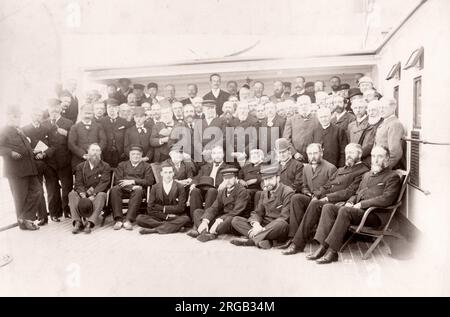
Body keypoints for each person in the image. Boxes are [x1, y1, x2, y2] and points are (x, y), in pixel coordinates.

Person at [308, 145, 401, 264]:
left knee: (344, 211)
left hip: (375, 215)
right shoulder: (367, 175)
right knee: (328, 207)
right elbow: (357, 193)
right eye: (373, 156)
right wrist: (351, 202)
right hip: (360, 212)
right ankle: (323, 246)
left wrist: (361, 204)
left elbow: (386, 199)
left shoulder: (392, 176)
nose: (376, 160)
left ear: (387, 159)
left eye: (380, 156)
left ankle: (332, 251)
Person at [281, 143, 369, 254]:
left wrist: (326, 198)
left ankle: (298, 243)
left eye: (351, 152)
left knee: (315, 204)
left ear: (360, 154)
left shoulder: (363, 171)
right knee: (297, 198)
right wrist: (317, 195)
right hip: (325, 198)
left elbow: (349, 192)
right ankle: (293, 237)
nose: (348, 155)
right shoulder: (341, 169)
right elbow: (327, 185)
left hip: (339, 202)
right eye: (347, 153)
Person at [230, 164, 293, 249]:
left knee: (282, 224)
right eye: (265, 180)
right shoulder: (264, 192)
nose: (267, 183)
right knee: (236, 220)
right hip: (264, 224)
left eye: (270, 179)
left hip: (277, 227)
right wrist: (256, 225)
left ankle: (252, 240)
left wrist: (262, 230)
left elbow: (284, 217)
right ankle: (265, 240)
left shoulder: (287, 192)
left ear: (278, 178)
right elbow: (257, 212)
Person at [0, 106, 42, 230]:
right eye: (14, 116)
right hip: (16, 171)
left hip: (29, 169)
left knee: (38, 191)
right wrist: (10, 152)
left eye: (18, 116)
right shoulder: (3, 130)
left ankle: (24, 217)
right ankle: (24, 224)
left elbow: (25, 146)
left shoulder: (19, 130)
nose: (17, 118)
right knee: (20, 198)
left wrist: (32, 151)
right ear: (7, 117)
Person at [285, 143, 337, 242]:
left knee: (314, 202)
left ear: (321, 153)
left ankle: (300, 239)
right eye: (310, 154)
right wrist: (307, 193)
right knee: (296, 198)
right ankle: (293, 236)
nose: (312, 156)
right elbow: (304, 185)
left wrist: (317, 196)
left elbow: (331, 188)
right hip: (311, 197)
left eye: (315, 153)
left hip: (323, 201)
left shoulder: (331, 168)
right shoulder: (306, 168)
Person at [187, 167, 249, 242]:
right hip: (222, 219)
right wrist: (205, 221)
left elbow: (236, 212)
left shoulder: (242, 191)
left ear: (236, 178)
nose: (227, 181)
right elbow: (214, 207)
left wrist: (219, 220)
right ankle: (204, 231)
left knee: (230, 219)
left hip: (233, 220)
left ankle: (212, 234)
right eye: (225, 178)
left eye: (230, 178)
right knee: (198, 212)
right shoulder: (223, 191)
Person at [41, 100, 74, 220]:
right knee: (52, 189)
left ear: (60, 108)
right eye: (51, 107)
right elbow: (40, 143)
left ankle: (68, 210)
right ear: (48, 109)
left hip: (64, 161)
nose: (53, 110)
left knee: (67, 188)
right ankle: (54, 213)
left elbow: (75, 140)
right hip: (49, 163)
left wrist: (67, 133)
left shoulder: (69, 123)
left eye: (56, 107)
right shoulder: (43, 124)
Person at [69, 143, 111, 234]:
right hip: (83, 193)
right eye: (93, 150)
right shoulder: (81, 166)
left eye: (97, 150)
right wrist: (82, 194)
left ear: (100, 152)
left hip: (97, 193)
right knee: (72, 194)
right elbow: (78, 183)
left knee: (101, 195)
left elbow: (104, 182)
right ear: (88, 152)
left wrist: (94, 193)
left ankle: (90, 223)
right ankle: (77, 222)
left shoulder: (105, 166)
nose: (95, 153)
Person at [137, 163, 190, 235]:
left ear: (173, 173)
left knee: (185, 219)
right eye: (165, 172)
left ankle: (154, 230)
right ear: (161, 174)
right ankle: (172, 226)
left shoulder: (180, 187)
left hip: (175, 216)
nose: (168, 175)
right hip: (159, 216)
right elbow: (150, 208)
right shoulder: (155, 187)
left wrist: (162, 208)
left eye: (170, 172)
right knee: (139, 218)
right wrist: (166, 217)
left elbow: (181, 207)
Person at [110, 145, 154, 230]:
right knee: (114, 189)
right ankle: (118, 220)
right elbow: (118, 180)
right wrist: (131, 187)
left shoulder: (147, 166)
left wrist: (133, 182)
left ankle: (128, 220)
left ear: (141, 155)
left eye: (138, 154)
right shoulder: (122, 165)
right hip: (123, 189)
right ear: (129, 155)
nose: (135, 156)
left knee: (138, 191)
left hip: (139, 191)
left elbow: (149, 181)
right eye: (133, 154)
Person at [22, 107, 52, 225]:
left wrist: (44, 153)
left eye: (39, 115)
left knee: (51, 188)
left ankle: (52, 213)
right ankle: (42, 216)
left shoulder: (46, 129)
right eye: (35, 114)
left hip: (47, 162)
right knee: (38, 189)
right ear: (31, 116)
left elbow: (50, 145)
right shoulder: (25, 129)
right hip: (33, 163)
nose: (37, 117)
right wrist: (33, 152)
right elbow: (23, 147)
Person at [188, 146, 226, 219]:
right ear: (211, 155)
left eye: (219, 153)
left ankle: (207, 219)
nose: (217, 155)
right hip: (203, 189)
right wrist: (193, 184)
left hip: (218, 191)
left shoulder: (228, 167)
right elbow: (197, 178)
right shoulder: (204, 167)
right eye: (214, 153)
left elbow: (231, 178)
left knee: (212, 191)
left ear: (223, 155)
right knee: (195, 191)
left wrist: (225, 182)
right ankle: (195, 221)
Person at [68, 104, 107, 169]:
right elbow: (71, 144)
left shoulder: (99, 126)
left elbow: (103, 141)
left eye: (89, 113)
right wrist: (83, 154)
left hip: (96, 158)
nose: (87, 116)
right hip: (79, 159)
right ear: (81, 114)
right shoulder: (74, 127)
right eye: (85, 113)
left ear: (93, 114)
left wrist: (95, 152)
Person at [283, 95, 318, 162]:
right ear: (298, 106)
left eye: (305, 104)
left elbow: (318, 139)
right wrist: (294, 153)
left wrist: (313, 153)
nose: (303, 106)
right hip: (295, 158)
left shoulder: (316, 120)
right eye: (301, 104)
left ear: (310, 105)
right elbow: (286, 139)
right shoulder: (291, 120)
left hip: (312, 157)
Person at [98, 98, 131, 168]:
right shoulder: (101, 122)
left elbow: (127, 139)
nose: (112, 110)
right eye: (109, 107)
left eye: (114, 107)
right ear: (106, 109)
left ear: (118, 109)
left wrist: (124, 152)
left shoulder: (125, 122)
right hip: (105, 153)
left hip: (120, 154)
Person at [375, 97, 406, 169]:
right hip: (379, 164)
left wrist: (385, 168)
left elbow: (395, 153)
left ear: (393, 108)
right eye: (380, 107)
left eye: (384, 107)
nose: (381, 110)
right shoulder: (385, 122)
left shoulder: (395, 124)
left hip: (387, 167)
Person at [360, 100, 383, 165]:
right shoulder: (368, 123)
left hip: (373, 160)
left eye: (373, 110)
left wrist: (358, 153)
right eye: (369, 111)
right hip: (364, 159)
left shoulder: (381, 124)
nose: (371, 113)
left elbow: (371, 144)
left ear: (379, 111)